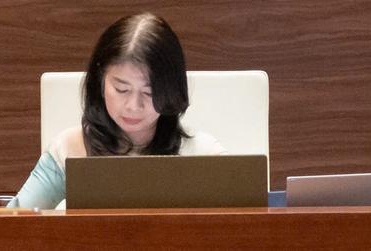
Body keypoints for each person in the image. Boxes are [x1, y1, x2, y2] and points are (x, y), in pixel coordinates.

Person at [11, 13, 223, 209]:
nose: (133, 105)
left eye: (149, 93)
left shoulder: (204, 155)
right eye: (122, 89)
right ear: (100, 81)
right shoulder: (70, 149)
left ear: (171, 91)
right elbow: (12, 224)